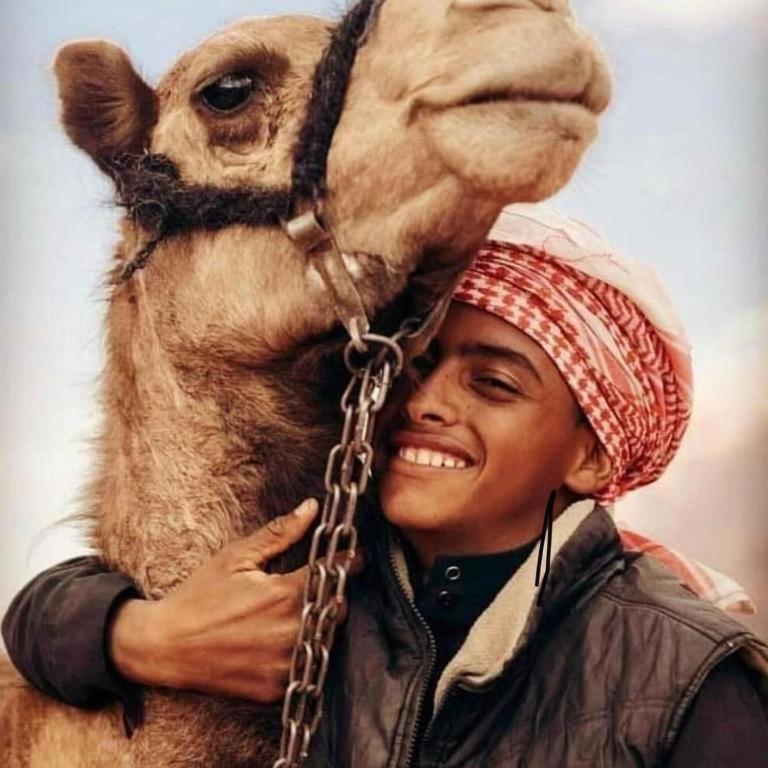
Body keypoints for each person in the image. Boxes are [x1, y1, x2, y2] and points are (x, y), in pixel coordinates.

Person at [3, 205, 768, 766]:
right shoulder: (319, 575)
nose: (428, 401)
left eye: (494, 384)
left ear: (592, 459)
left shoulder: (691, 676)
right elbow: (40, 615)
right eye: (417, 364)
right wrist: (147, 638)